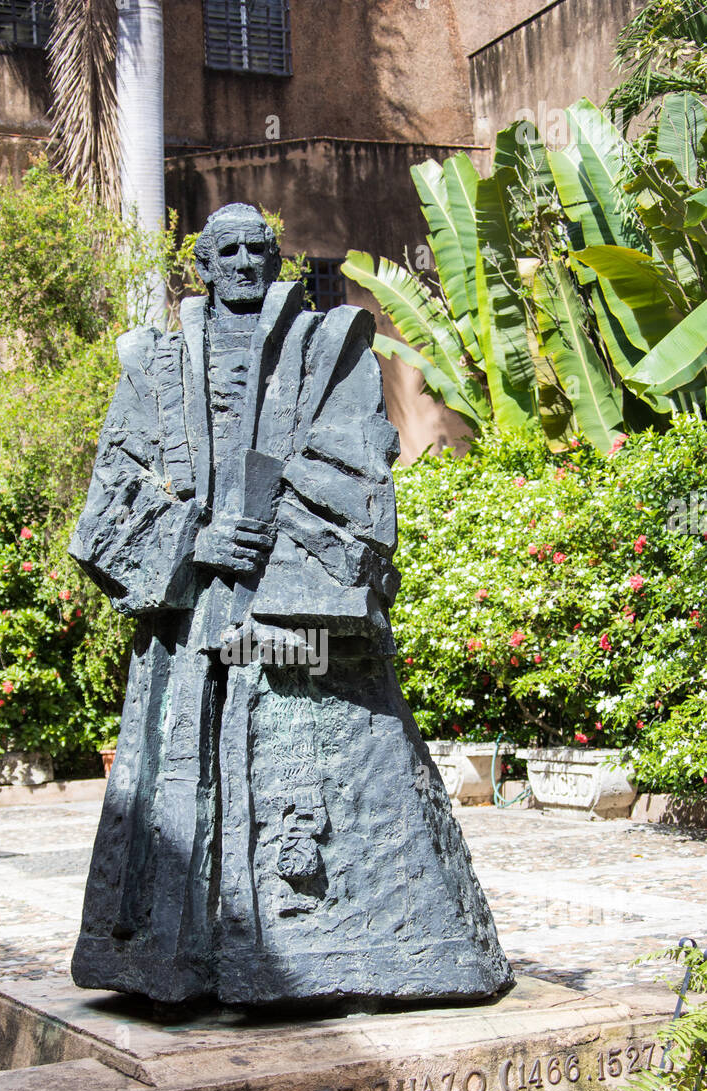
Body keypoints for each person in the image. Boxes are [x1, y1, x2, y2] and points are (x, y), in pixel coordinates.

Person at [69, 203, 513, 1007]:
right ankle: (177, 959)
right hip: (189, 624)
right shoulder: (153, 364)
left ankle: (345, 949)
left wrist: (274, 540)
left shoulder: (329, 347)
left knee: (318, 774)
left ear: (277, 261)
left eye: (259, 249)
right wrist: (195, 539)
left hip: (299, 619)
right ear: (201, 265)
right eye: (226, 250)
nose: (243, 261)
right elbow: (113, 491)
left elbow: (359, 459)